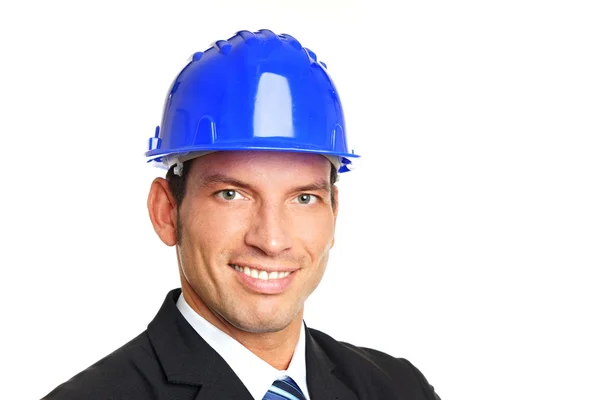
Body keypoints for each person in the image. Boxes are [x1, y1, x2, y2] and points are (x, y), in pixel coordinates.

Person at [43, 29, 441, 400]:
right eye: (231, 194)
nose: (270, 240)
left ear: (334, 213)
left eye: (303, 198)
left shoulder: (399, 388)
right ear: (166, 211)